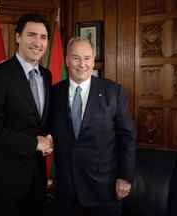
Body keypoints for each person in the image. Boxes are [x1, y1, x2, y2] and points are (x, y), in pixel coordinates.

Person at [49, 37, 136, 216]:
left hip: (104, 190)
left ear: (93, 60)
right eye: (76, 58)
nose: (82, 64)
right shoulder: (54, 92)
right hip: (66, 191)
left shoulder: (113, 92)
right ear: (66, 60)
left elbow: (127, 137)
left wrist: (125, 177)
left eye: (87, 58)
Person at [0, 13, 53, 216]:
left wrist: (49, 138)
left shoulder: (46, 75)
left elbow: (39, 122)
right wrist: (34, 143)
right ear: (18, 37)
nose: (38, 42)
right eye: (32, 35)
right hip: (4, 179)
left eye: (43, 37)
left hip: (36, 179)